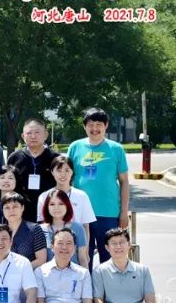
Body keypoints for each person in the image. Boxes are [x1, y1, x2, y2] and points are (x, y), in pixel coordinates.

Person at [68, 109, 130, 264]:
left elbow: (124, 182)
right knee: (83, 258)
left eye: (99, 124)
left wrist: (123, 212)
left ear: (106, 125)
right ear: (84, 126)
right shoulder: (75, 147)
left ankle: (108, 282)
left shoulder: (116, 149)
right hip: (80, 213)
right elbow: (67, 177)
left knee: (109, 258)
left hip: (108, 212)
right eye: (90, 125)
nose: (94, 128)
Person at [7, 118, 60, 223]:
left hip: (49, 213)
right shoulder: (14, 158)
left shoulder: (55, 158)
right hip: (20, 214)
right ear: (23, 136)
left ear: (45, 135)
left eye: (37, 132)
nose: (33, 136)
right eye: (29, 133)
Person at [37, 155, 96, 244]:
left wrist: (85, 248)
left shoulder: (82, 196)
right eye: (59, 170)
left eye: (67, 170)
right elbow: (42, 224)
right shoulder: (44, 196)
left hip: (76, 245)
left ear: (72, 172)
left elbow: (85, 226)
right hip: (51, 245)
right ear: (52, 172)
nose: (63, 174)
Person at [39, 190, 90, 267]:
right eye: (52, 204)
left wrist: (85, 274)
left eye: (61, 204)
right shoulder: (39, 230)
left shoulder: (78, 228)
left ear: (67, 206)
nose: (56, 208)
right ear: (47, 207)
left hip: (74, 273)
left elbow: (83, 259)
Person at [2, 192, 48, 268]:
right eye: (7, 207)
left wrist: (21, 271)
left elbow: (41, 260)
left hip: (29, 273)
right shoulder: (0, 232)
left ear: (22, 208)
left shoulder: (34, 229)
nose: (11, 210)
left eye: (15, 206)